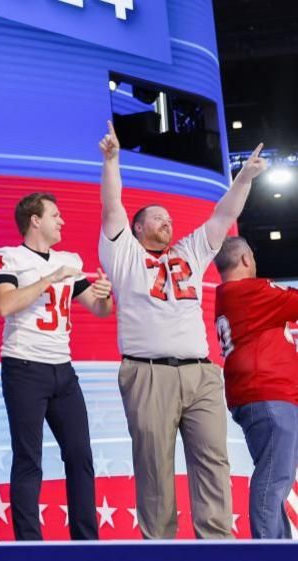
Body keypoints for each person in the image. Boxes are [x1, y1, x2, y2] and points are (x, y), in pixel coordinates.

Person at [97, 120, 267, 538]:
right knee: (154, 467)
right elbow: (112, 207)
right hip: (148, 371)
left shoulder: (190, 250)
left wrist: (243, 178)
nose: (166, 222)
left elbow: (225, 213)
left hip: (201, 372)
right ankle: (160, 546)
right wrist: (113, 161)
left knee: (213, 459)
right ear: (136, 229)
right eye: (156, 218)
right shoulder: (122, 255)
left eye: (169, 218)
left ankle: (217, 544)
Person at [0, 192, 113, 540]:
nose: (63, 221)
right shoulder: (7, 256)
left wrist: (105, 292)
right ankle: (29, 544)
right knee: (29, 459)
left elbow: (100, 310)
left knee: (80, 455)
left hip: (63, 368)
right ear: (35, 220)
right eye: (55, 215)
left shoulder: (69, 259)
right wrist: (48, 279)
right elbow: (4, 305)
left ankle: (86, 541)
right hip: (24, 366)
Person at [213, 236, 298, 539]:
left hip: (263, 395)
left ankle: (278, 546)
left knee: (278, 476)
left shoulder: (230, 295)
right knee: (274, 477)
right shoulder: (252, 291)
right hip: (269, 394)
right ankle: (268, 551)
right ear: (247, 259)